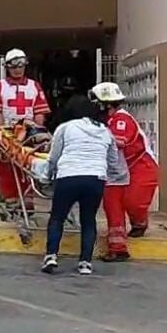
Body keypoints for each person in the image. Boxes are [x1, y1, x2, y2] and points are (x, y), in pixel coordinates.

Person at [41, 95, 128, 276]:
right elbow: (113, 160)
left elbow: (54, 157)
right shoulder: (105, 131)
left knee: (58, 217)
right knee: (88, 220)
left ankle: (51, 256)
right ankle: (85, 263)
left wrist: (47, 176)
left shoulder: (65, 128)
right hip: (95, 179)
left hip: (68, 176)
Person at [91, 82, 159, 261]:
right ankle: (117, 247)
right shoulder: (108, 122)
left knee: (133, 202)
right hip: (117, 170)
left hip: (140, 167)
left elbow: (118, 142)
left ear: (105, 104)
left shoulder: (122, 119)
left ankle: (139, 222)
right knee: (112, 205)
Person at [0, 49, 51, 217]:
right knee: (6, 168)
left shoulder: (34, 86)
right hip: (7, 134)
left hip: (28, 133)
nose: (17, 69)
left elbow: (40, 112)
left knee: (29, 165)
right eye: (13, 66)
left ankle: (27, 200)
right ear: (7, 67)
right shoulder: (0, 86)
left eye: (20, 65)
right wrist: (3, 133)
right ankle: (11, 202)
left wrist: (37, 133)